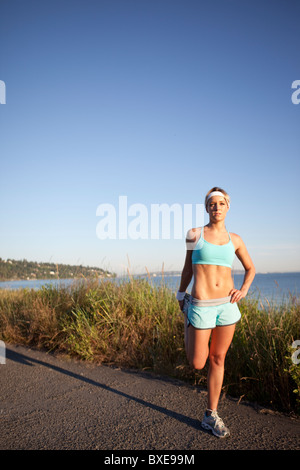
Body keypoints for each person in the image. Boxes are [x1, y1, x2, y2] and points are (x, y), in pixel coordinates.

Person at [177, 187, 255, 438]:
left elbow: (250, 268)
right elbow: (188, 268)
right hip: (200, 306)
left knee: (218, 359)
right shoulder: (194, 234)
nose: (217, 207)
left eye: (222, 203)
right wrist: (181, 294)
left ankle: (211, 415)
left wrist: (242, 290)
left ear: (227, 207)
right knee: (197, 363)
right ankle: (188, 318)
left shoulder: (236, 239)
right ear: (207, 207)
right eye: (213, 204)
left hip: (227, 307)